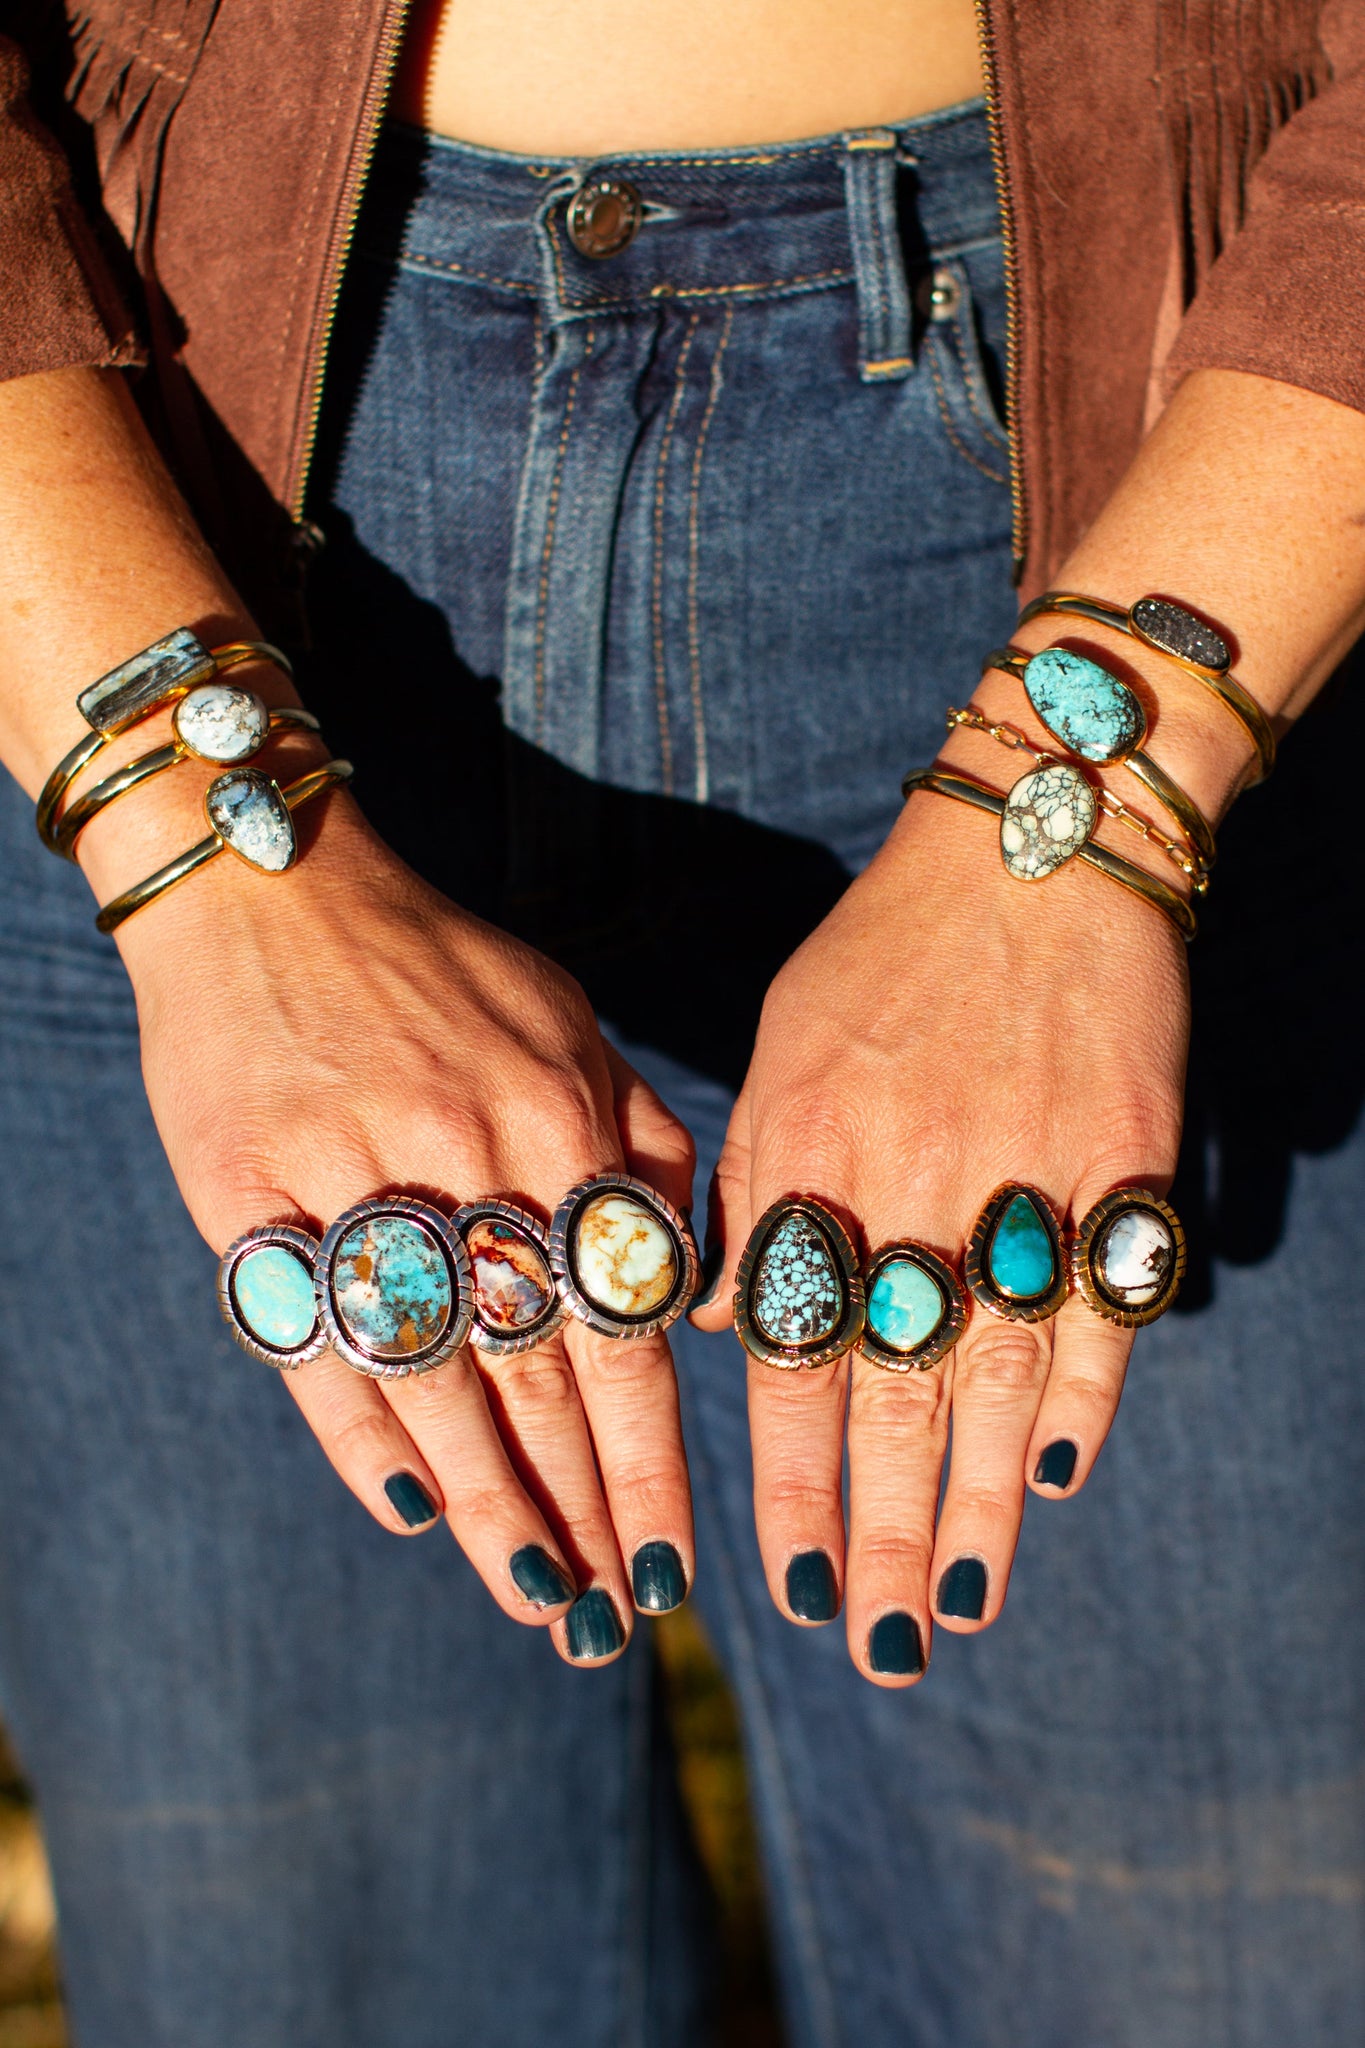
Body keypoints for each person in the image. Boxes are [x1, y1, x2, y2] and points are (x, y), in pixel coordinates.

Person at [2, 1, 1365, 2042]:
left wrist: (1086, 811)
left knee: (1178, 1965)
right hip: (125, 512)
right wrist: (206, 840)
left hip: (1175, 464)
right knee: (318, 1977)